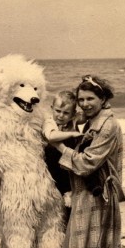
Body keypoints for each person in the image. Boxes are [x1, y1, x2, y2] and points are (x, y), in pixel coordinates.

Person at [51, 75, 125, 248]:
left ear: (103, 98)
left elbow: (86, 164)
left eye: (90, 99)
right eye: (81, 99)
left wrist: (58, 145)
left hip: (97, 197)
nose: (84, 104)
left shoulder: (108, 126)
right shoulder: (91, 122)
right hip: (86, 195)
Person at [43, 91, 85, 221]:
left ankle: (69, 192)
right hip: (52, 163)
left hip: (68, 165)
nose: (61, 116)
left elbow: (87, 115)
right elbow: (51, 136)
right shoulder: (49, 122)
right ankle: (65, 193)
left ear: (72, 114)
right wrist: (72, 134)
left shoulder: (73, 120)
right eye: (57, 110)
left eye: (66, 113)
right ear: (52, 109)